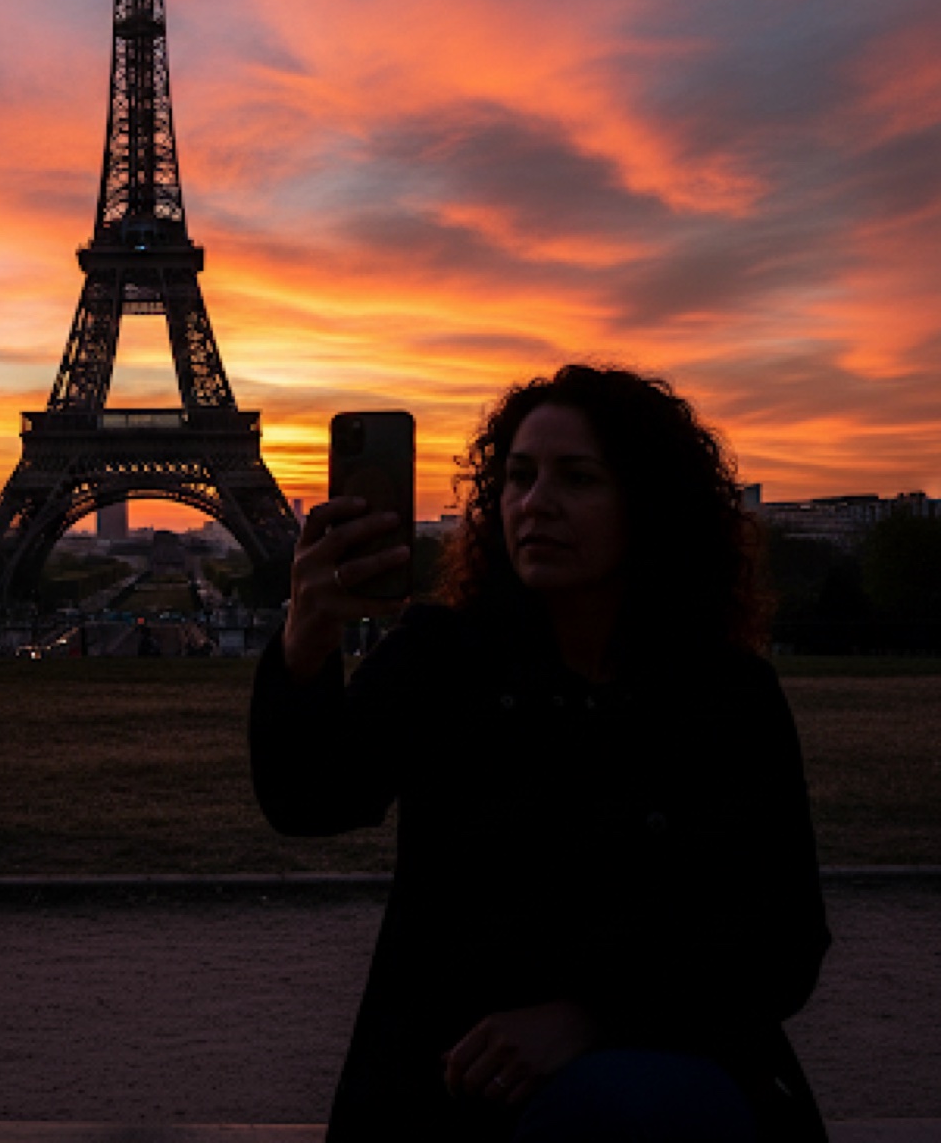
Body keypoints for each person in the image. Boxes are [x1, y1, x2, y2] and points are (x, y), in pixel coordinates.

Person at [251, 364, 830, 1142]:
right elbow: (310, 800)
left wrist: (593, 1020)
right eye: (518, 478)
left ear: (648, 505)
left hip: (651, 1093)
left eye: (577, 478)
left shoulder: (728, 696)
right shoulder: (439, 661)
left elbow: (781, 943)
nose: (536, 504)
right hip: (458, 1095)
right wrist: (306, 641)